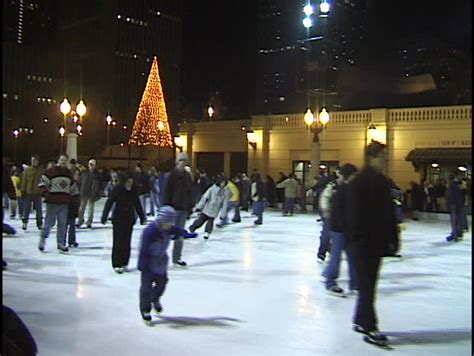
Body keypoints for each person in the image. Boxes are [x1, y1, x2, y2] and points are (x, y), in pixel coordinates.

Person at [346, 141, 398, 346]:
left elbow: (388, 214)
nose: (386, 159)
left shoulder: (382, 181)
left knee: (369, 285)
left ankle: (360, 319)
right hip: (363, 243)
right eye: (382, 156)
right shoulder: (360, 182)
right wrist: (357, 239)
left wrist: (393, 239)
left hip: (374, 242)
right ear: (372, 157)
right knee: (367, 286)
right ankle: (369, 326)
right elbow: (353, 214)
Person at [137, 206, 197, 324]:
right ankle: (145, 310)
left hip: (161, 261)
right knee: (146, 288)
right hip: (148, 262)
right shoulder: (150, 231)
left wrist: (186, 234)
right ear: (161, 220)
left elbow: (177, 230)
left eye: (171, 223)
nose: (170, 225)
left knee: (162, 282)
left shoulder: (168, 228)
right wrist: (142, 264)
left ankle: (155, 299)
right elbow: (143, 249)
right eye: (168, 223)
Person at [322, 163, 359, 296]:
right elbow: (339, 211)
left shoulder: (350, 189)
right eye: (355, 175)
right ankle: (330, 282)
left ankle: (355, 284)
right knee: (336, 256)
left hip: (346, 229)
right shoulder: (342, 190)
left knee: (352, 257)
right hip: (339, 229)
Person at [101, 172, 146, 273]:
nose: (130, 182)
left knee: (126, 242)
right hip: (118, 218)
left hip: (129, 219)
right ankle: (117, 263)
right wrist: (104, 216)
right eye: (128, 180)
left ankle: (125, 263)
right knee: (118, 242)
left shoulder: (133, 190)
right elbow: (110, 202)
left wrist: (142, 217)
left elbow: (137, 204)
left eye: (131, 180)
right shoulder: (118, 189)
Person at [163, 153, 194, 267]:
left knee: (179, 235)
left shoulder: (187, 176)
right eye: (181, 160)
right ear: (177, 162)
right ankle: (160, 256)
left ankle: (176, 258)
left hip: (183, 209)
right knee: (167, 234)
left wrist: (190, 206)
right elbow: (166, 192)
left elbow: (190, 192)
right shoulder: (171, 176)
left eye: (184, 161)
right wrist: (166, 207)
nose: (183, 163)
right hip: (172, 209)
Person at [38, 154, 73, 253]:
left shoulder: (69, 174)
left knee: (62, 223)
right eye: (62, 160)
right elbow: (41, 183)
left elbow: (73, 187)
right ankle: (42, 240)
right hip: (52, 201)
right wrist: (46, 193)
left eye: (65, 160)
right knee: (49, 222)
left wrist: (73, 199)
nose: (63, 162)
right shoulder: (51, 172)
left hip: (64, 202)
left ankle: (61, 243)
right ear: (58, 160)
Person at [317, 169, 339, 263]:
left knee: (338, 237)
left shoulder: (349, 186)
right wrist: (326, 209)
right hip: (331, 214)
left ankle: (333, 253)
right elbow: (324, 197)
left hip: (342, 215)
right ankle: (322, 253)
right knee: (326, 235)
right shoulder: (332, 185)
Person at [77, 158, 102, 228]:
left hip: (93, 194)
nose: (91, 166)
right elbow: (79, 182)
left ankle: (89, 222)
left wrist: (98, 193)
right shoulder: (84, 173)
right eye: (90, 164)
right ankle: (80, 220)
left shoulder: (97, 174)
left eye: (93, 164)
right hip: (84, 193)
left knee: (91, 209)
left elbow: (100, 184)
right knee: (81, 208)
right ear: (88, 164)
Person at [446, 173, 464, 242]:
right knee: (458, 220)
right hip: (458, 205)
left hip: (454, 205)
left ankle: (455, 235)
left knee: (454, 221)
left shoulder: (453, 186)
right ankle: (458, 234)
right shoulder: (458, 185)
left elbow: (452, 196)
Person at [66, 167, 81, 248]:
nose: (78, 176)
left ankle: (72, 240)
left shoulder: (77, 183)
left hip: (74, 206)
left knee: (72, 224)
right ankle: (64, 240)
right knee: (67, 224)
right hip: (69, 205)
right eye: (77, 174)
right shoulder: (71, 183)